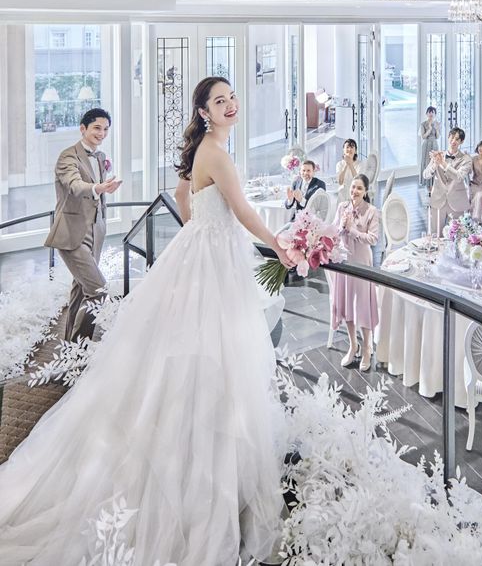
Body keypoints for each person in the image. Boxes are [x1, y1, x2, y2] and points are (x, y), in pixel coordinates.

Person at [0, 77, 294, 564]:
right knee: (216, 354)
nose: (230, 105)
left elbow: (182, 193)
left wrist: (200, 229)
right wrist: (279, 245)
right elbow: (242, 210)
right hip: (211, 261)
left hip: (199, 253)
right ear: (204, 113)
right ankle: (197, 465)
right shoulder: (216, 153)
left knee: (188, 354)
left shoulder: (204, 148)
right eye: (219, 101)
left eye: (232, 97)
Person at [44, 108, 123, 341]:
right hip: (71, 234)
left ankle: (69, 343)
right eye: (97, 128)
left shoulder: (100, 156)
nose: (102, 133)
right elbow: (75, 185)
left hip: (95, 231)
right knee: (99, 290)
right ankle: (80, 350)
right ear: (83, 128)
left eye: (106, 129)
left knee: (81, 290)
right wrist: (98, 188)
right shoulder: (67, 157)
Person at [331, 174, 380, 372]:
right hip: (345, 262)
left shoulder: (372, 211)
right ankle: (353, 345)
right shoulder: (342, 207)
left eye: (359, 188)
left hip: (361, 263)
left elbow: (373, 239)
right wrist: (341, 227)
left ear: (365, 191)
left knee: (363, 306)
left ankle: (367, 348)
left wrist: (352, 230)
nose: (355, 191)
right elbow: (333, 232)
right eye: (353, 187)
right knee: (348, 306)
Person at [423, 127, 472, 235]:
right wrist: (434, 165)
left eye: (457, 139)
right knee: (435, 234)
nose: (453, 141)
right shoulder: (438, 155)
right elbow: (425, 175)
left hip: (457, 202)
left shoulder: (466, 159)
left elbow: (459, 177)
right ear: (448, 137)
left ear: (461, 142)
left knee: (456, 236)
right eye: (452, 137)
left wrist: (443, 163)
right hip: (438, 199)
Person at [419, 106, 440, 191]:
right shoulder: (423, 124)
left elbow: (437, 137)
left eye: (433, 112)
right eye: (429, 112)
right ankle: (428, 185)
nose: (431, 114)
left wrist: (437, 129)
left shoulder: (437, 123)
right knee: (426, 163)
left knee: (435, 163)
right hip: (426, 144)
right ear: (426, 114)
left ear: (435, 114)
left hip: (434, 144)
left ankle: (434, 183)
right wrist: (430, 129)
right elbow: (423, 137)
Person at [336, 138, 360, 202]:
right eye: (347, 147)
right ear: (343, 150)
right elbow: (340, 182)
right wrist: (346, 164)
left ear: (355, 151)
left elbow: (358, 181)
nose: (349, 149)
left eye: (352, 147)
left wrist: (350, 164)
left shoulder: (360, 164)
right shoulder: (339, 164)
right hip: (343, 192)